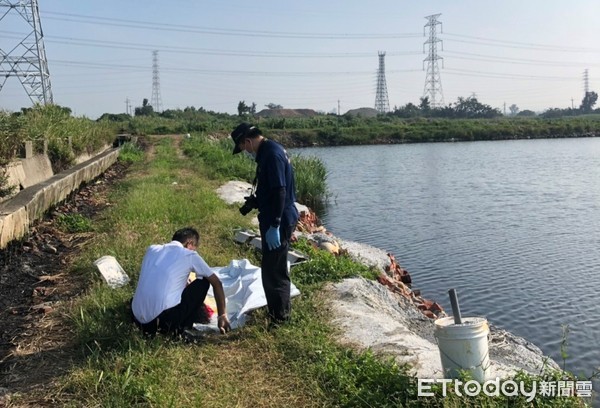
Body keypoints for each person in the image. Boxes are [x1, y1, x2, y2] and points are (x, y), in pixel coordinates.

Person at [231, 123, 299, 325]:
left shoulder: (272, 155)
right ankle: (278, 313)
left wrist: (275, 224)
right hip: (273, 217)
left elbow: (280, 191)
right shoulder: (269, 151)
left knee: (274, 271)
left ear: (248, 141)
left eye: (243, 148)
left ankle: (280, 319)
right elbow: (270, 189)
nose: (246, 152)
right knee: (271, 268)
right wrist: (256, 201)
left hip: (278, 219)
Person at [131, 227, 231, 336]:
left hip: (136, 319)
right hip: (161, 323)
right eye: (194, 248)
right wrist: (222, 316)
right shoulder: (189, 255)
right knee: (203, 282)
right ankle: (182, 328)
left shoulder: (152, 249)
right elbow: (216, 283)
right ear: (189, 244)